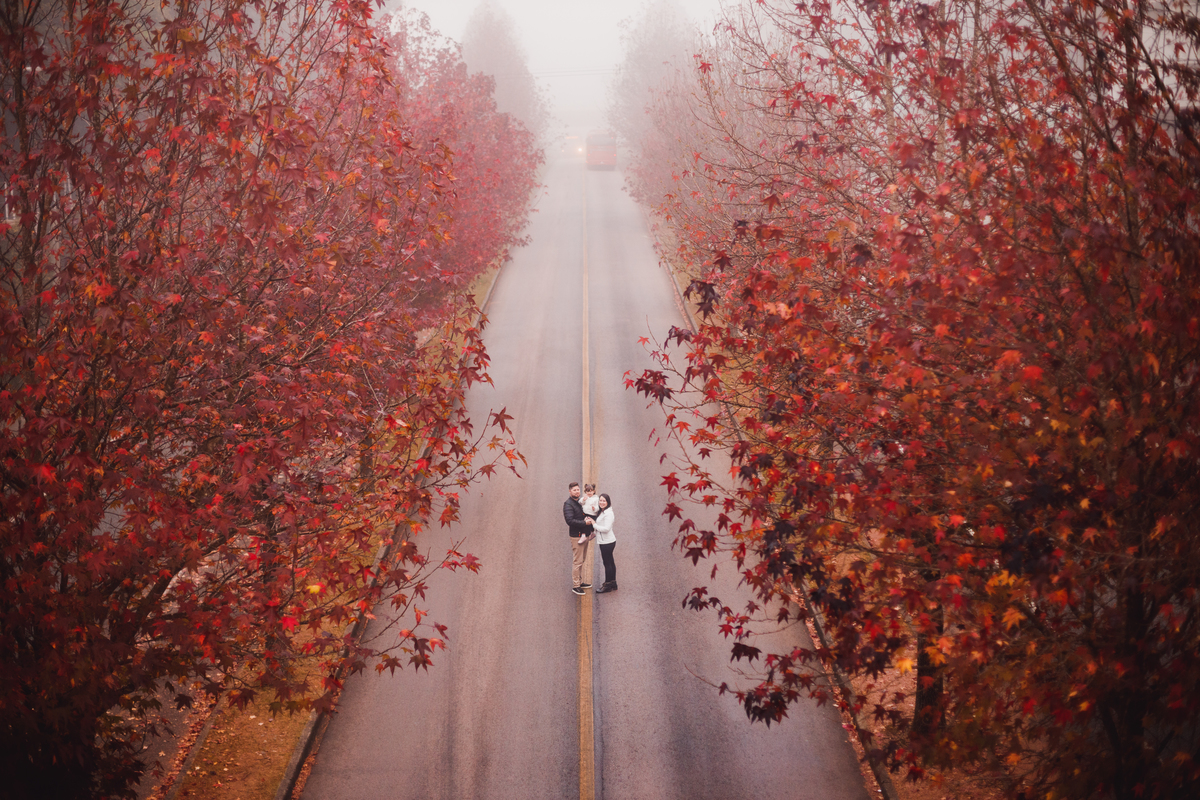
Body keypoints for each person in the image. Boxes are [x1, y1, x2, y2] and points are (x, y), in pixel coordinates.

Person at [562, 481, 594, 595]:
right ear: (570, 491)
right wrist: (585, 523)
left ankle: (580, 582)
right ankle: (576, 586)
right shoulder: (568, 504)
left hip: (584, 535)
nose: (577, 492)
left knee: (582, 560)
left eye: (578, 490)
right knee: (577, 561)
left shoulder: (580, 502)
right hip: (577, 536)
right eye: (574, 490)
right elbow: (569, 521)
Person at [592, 493, 617, 593]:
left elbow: (606, 528)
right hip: (606, 541)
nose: (601, 502)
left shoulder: (608, 513)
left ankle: (607, 585)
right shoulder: (603, 511)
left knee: (607, 563)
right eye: (600, 500)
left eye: (604, 501)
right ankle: (613, 583)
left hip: (607, 542)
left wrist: (594, 525)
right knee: (610, 562)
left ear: (608, 502)